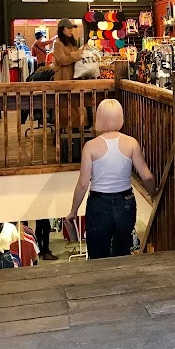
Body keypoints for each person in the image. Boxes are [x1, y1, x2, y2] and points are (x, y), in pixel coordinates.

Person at [65, 100, 156, 259]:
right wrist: (153, 193)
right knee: (122, 252)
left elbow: (83, 184)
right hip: (126, 202)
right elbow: (147, 176)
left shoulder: (91, 146)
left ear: (99, 117)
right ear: (120, 117)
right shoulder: (131, 143)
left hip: (99, 204)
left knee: (98, 256)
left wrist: (73, 211)